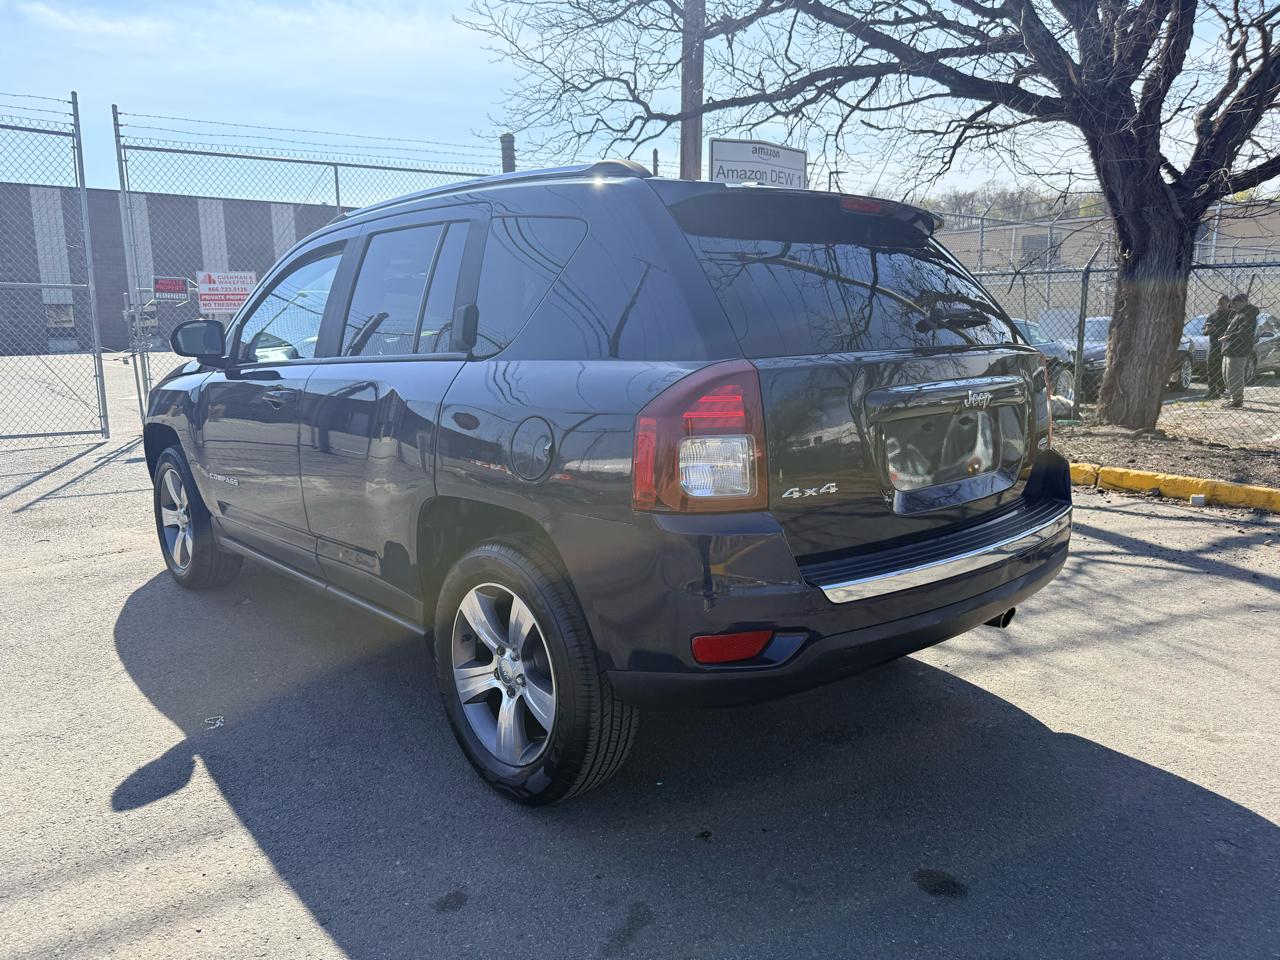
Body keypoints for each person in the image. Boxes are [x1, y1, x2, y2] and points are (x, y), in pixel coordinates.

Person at [1220, 292, 1259, 409]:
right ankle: (1233, 397)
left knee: (1235, 375)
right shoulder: (1239, 313)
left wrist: (1228, 337)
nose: (1233, 306)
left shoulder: (1248, 315)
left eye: (1235, 303)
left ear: (1243, 302)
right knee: (1226, 374)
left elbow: (1244, 331)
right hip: (1229, 348)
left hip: (1238, 350)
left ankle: (1236, 400)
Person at [1203, 294, 1230, 398]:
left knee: (1224, 369)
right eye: (1218, 303)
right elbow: (1205, 332)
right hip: (1214, 345)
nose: (1219, 305)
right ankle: (1212, 391)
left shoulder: (1231, 315)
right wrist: (1209, 329)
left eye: (1222, 303)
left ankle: (1223, 388)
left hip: (1228, 345)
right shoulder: (1213, 315)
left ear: (1228, 303)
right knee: (1211, 367)